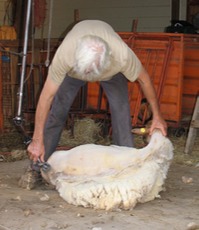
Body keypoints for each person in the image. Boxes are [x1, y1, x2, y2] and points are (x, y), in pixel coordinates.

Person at [19, 20, 167, 189]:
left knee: (122, 114)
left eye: (93, 71)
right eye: (87, 72)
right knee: (57, 112)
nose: (90, 77)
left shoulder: (121, 56)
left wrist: (157, 115)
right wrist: (37, 139)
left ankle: (127, 171)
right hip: (73, 72)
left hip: (112, 73)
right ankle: (38, 167)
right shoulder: (66, 55)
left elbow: (144, 80)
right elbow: (46, 97)